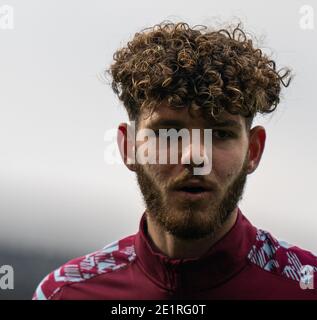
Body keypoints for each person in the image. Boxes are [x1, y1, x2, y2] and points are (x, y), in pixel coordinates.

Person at [33, 21, 317, 300]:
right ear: (129, 147)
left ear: (253, 151)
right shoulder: (65, 293)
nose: (194, 156)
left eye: (219, 133)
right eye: (168, 134)